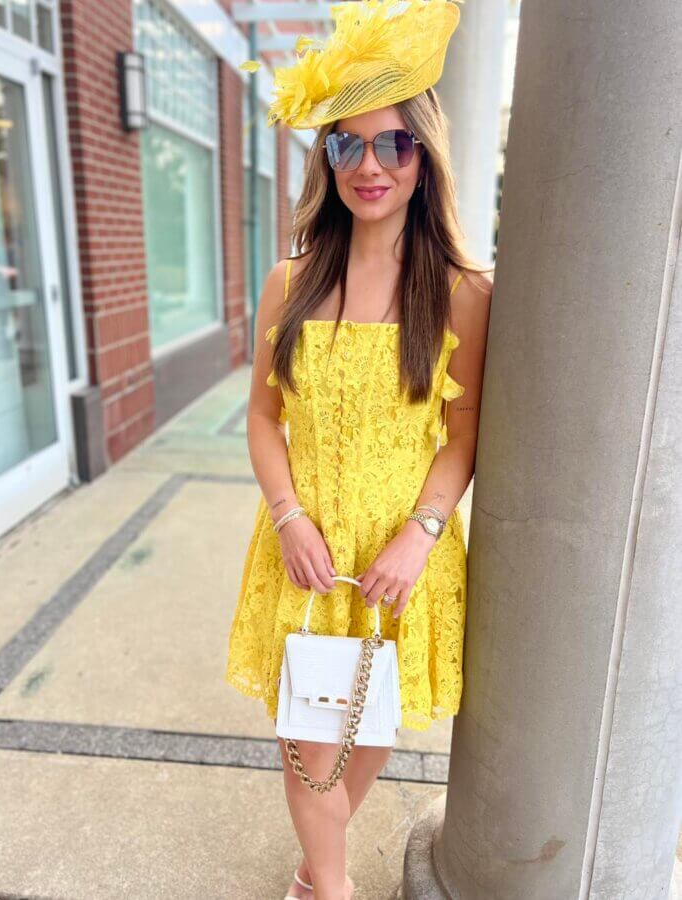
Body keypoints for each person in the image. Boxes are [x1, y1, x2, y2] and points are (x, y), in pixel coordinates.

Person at [226, 0, 493, 896]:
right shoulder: (290, 282)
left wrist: (419, 534)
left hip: (394, 565)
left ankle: (313, 874)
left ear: (424, 158)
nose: (369, 165)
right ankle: (332, 890)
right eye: (348, 145)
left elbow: (463, 438)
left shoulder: (460, 292)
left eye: (392, 145)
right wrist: (289, 514)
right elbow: (264, 418)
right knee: (309, 746)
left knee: (358, 740)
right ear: (327, 159)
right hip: (308, 554)